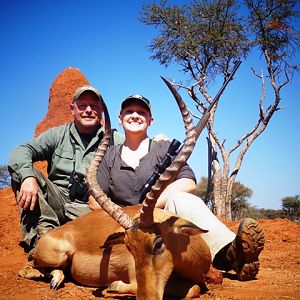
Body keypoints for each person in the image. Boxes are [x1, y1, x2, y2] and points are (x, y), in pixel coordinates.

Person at [90, 94, 265, 281]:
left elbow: (188, 182)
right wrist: (126, 215)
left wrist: (151, 205)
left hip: (161, 220)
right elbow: (94, 201)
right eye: (129, 111)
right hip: (125, 225)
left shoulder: (163, 148)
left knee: (182, 199)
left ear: (150, 120)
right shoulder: (109, 155)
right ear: (120, 118)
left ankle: (231, 254)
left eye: (141, 112)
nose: (135, 115)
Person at [8, 85, 124, 251]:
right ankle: (43, 245)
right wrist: (27, 177)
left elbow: (138, 150)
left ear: (101, 111)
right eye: (82, 105)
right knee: (24, 173)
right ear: (72, 109)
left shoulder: (116, 140)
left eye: (94, 106)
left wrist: (156, 143)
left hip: (90, 206)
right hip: (57, 200)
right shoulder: (57, 134)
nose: (88, 110)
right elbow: (21, 151)